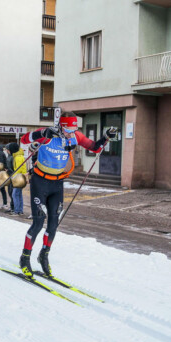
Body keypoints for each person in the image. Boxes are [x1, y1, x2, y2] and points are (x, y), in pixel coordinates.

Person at [18, 113, 115, 277]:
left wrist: (106, 137)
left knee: (53, 224)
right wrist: (41, 133)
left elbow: (95, 147)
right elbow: (24, 140)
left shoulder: (76, 136)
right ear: (61, 127)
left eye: (73, 129)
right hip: (40, 182)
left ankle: (44, 255)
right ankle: (25, 258)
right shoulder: (48, 135)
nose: (71, 133)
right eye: (68, 130)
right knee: (38, 222)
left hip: (57, 184)